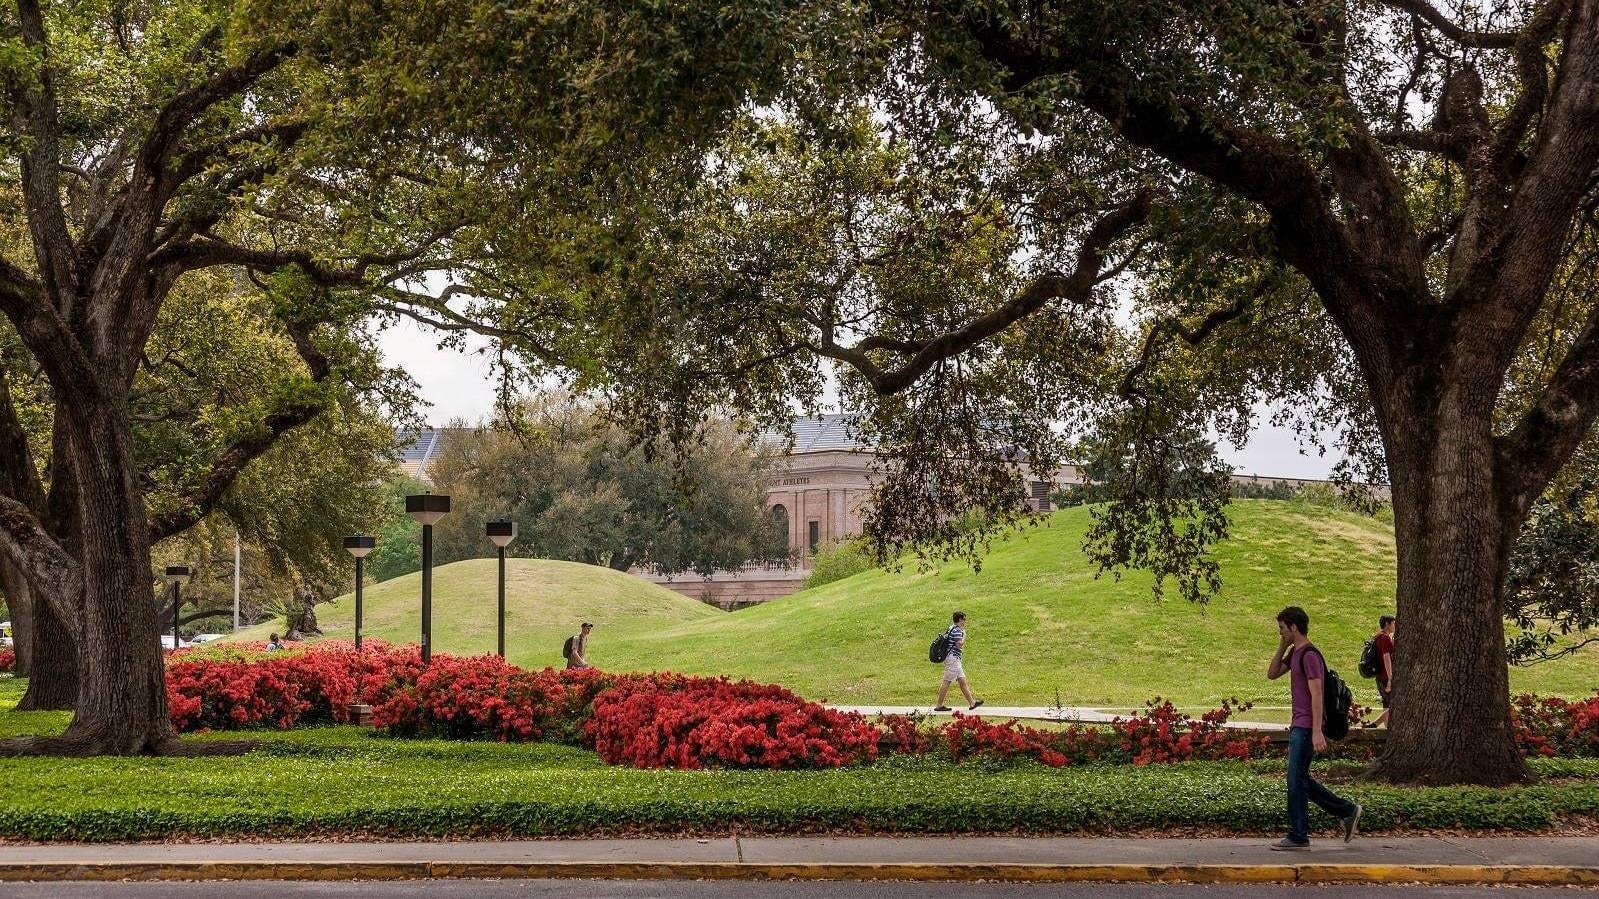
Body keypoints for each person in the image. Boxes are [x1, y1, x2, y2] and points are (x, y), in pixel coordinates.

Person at [1267, 606, 1361, 850]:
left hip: (1307, 726)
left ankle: (1299, 836)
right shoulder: (1295, 654)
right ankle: (1348, 811)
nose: (1280, 633)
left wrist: (1317, 729)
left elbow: (1317, 692)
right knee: (1299, 780)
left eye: (1282, 629)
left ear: (1293, 627)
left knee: (1295, 781)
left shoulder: (1309, 655)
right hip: (1299, 724)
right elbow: (1272, 673)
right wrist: (1282, 647)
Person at [933, 611, 984, 713]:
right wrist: (964, 635)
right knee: (947, 681)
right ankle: (939, 705)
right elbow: (959, 644)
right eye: (964, 619)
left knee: (962, 680)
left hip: (952, 658)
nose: (965, 621)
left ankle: (972, 703)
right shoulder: (957, 630)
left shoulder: (951, 628)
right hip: (953, 659)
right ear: (960, 619)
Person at [1366, 615, 1396, 729]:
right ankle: (1374, 724)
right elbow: (1386, 657)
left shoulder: (1377, 636)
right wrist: (1390, 678)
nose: (1395, 626)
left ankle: (1386, 731)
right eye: (1393, 623)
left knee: (1387, 705)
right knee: (1394, 706)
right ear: (1387, 624)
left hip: (1379, 676)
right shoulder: (1384, 638)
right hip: (1385, 676)